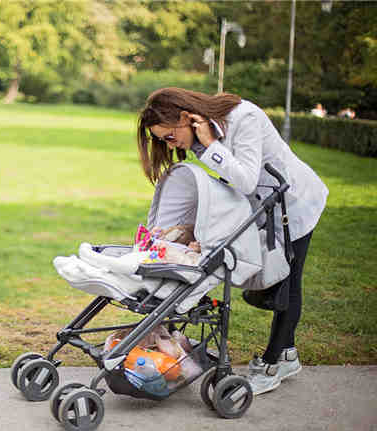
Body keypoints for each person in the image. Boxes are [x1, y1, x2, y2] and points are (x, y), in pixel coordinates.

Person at [136, 87, 329, 395]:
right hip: (261, 205)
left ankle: (273, 364)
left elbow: (247, 179)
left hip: (294, 203)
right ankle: (288, 354)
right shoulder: (202, 142)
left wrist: (211, 144)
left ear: (187, 118)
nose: (169, 145)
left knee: (288, 281)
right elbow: (231, 190)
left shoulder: (244, 118)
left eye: (169, 136)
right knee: (280, 280)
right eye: (161, 140)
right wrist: (196, 229)